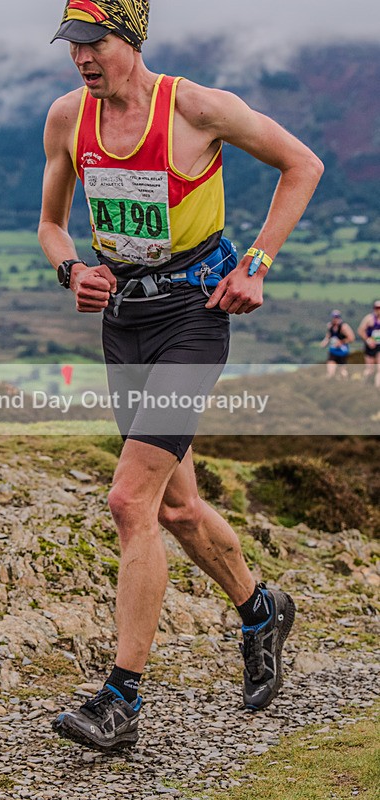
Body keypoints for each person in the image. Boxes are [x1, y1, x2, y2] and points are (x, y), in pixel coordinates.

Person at [38, 0, 324, 752]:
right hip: (123, 322)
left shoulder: (196, 108)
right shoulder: (67, 118)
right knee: (177, 507)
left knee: (129, 499)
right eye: (72, 45)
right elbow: (51, 225)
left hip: (193, 320)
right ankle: (261, 610)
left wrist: (256, 264)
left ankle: (120, 700)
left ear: (130, 38)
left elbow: (304, 165)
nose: (81, 58)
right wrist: (71, 269)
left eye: (94, 42)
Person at [320, 309, 355, 379]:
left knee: (342, 372)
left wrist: (341, 342)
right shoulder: (330, 326)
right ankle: (330, 382)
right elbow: (328, 336)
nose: (335, 319)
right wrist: (324, 342)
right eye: (334, 317)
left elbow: (352, 338)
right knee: (330, 371)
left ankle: (346, 382)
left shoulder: (344, 327)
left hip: (342, 352)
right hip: (333, 352)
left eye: (337, 317)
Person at [357, 300, 380, 389]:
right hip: (370, 346)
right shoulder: (369, 318)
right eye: (376, 308)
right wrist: (367, 340)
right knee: (370, 369)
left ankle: (377, 387)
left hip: (379, 346)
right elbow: (360, 330)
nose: (378, 310)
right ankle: (364, 386)